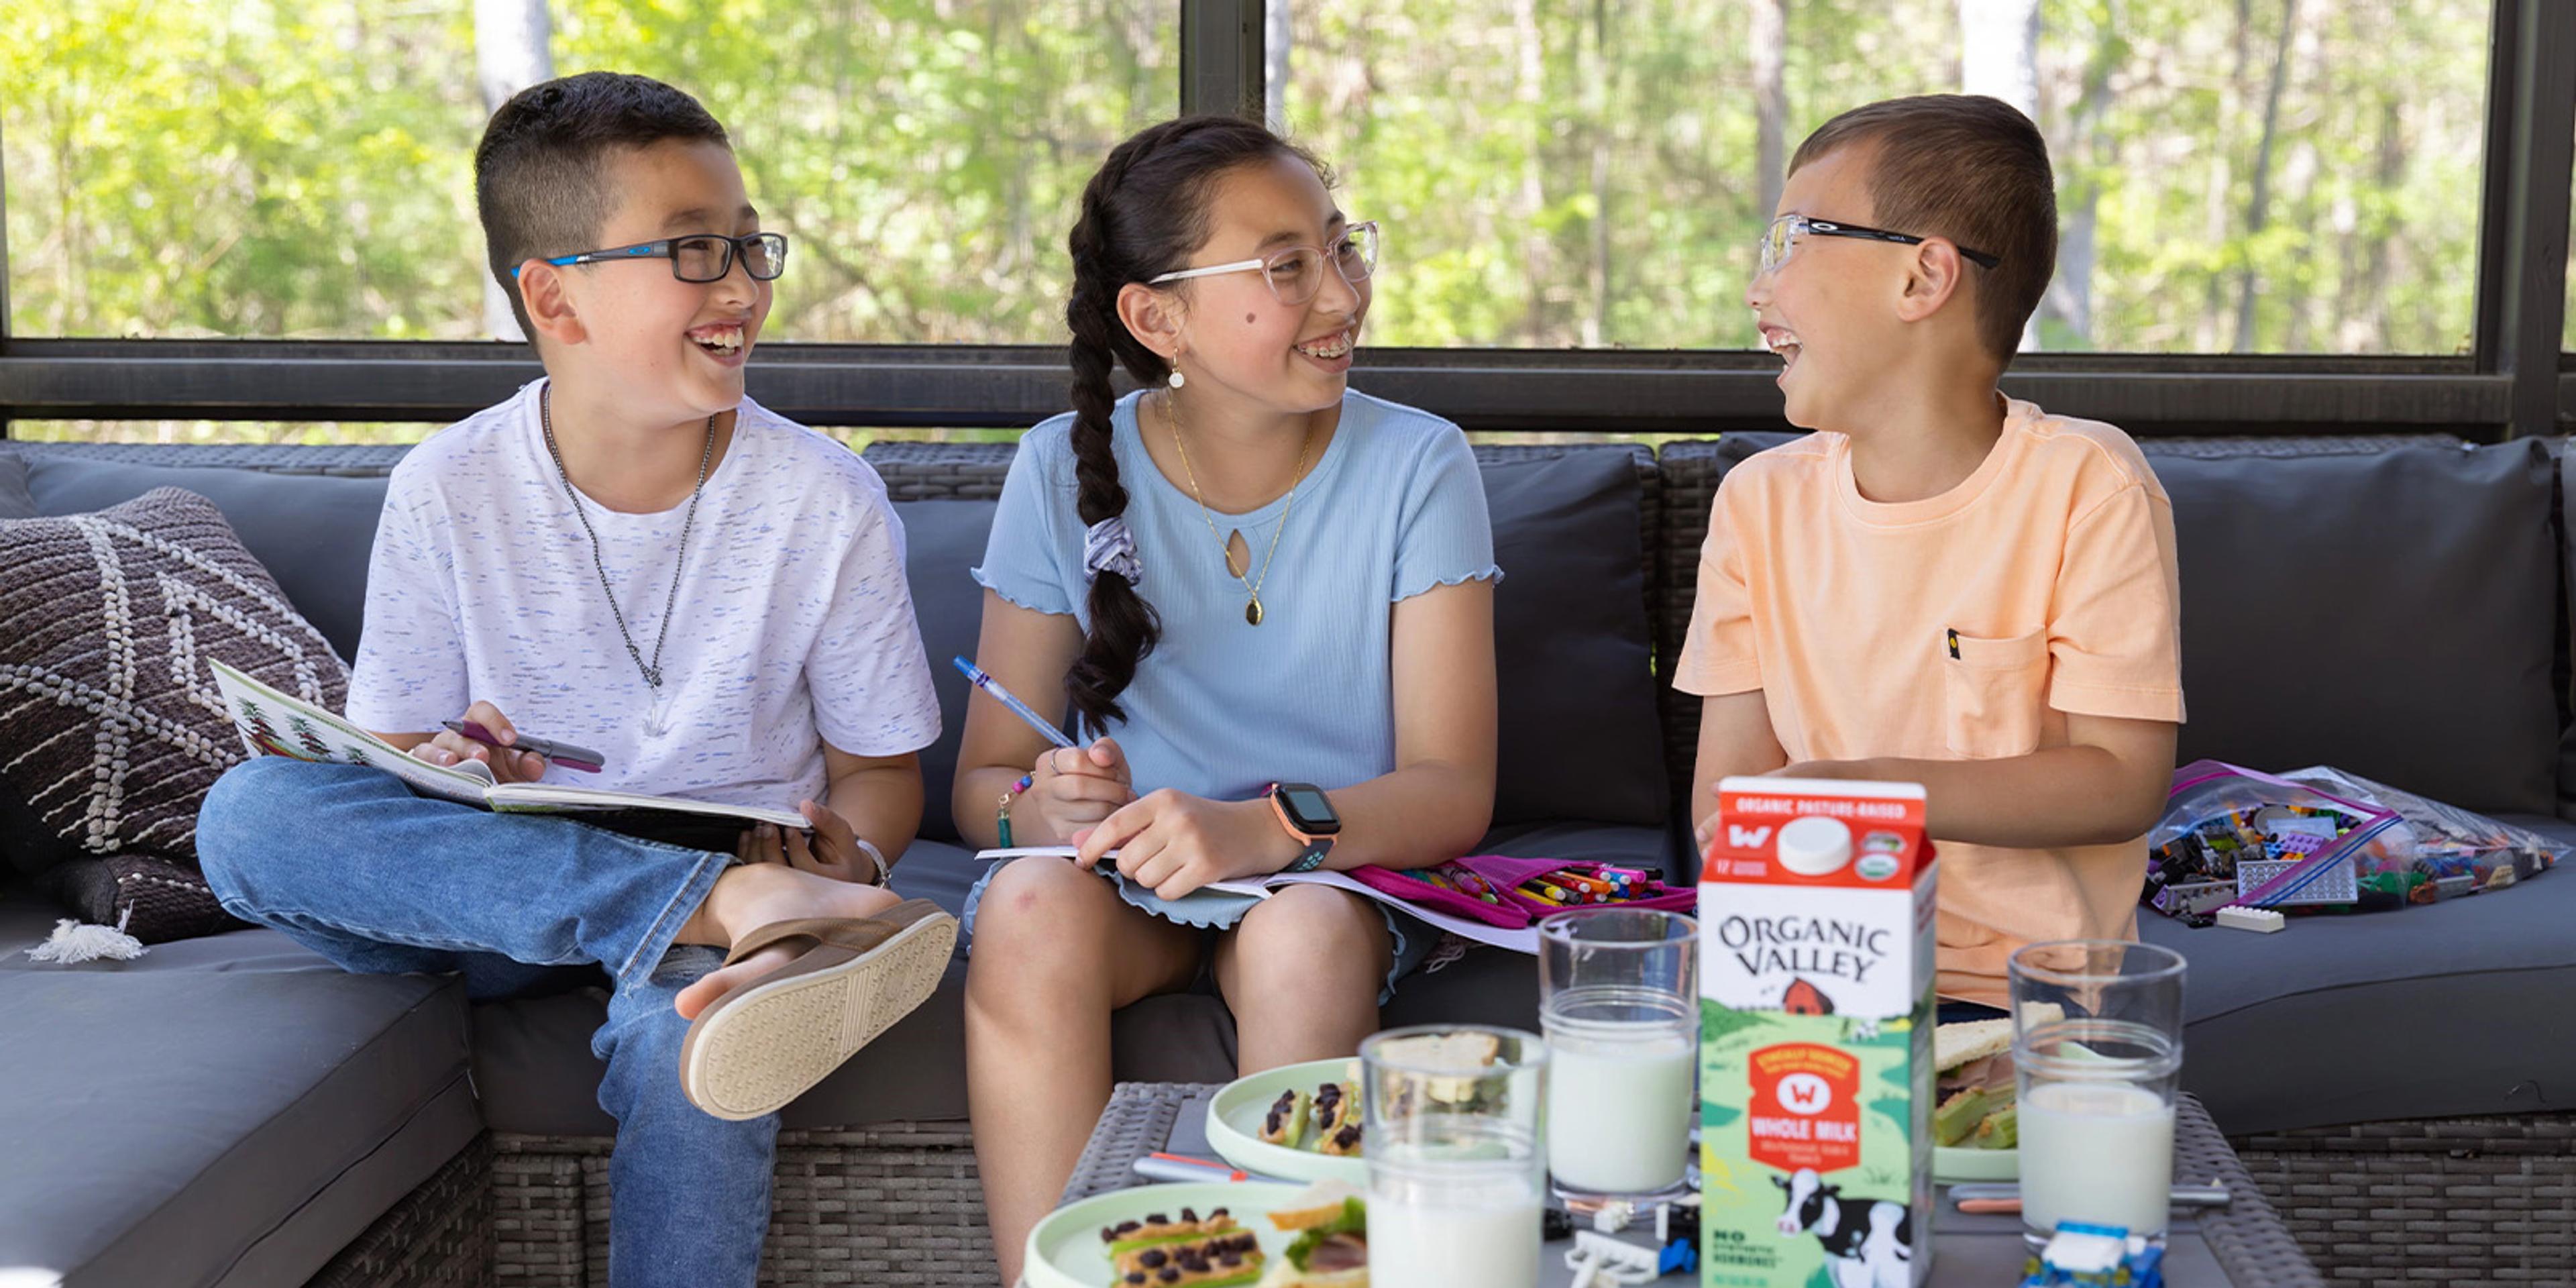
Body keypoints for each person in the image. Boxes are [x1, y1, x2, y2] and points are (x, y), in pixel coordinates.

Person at [194, 71, 952, 1288]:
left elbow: (877, 774)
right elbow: (395, 769)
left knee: (689, 1044)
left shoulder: (824, 498)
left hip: (752, 896)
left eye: (750, 246)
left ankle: (732, 923)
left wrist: (847, 863)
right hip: (498, 895)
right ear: (554, 296)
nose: (746, 289)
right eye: (696, 254)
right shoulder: (447, 487)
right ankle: (706, 905)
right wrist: (454, 764)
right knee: (246, 817)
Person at [952, 115, 1503, 1282]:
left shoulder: (1420, 464)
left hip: (1327, 872)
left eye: (1341, 248)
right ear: (1158, 319)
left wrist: (1261, 829)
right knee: (1025, 912)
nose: (1343, 293)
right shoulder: (1060, 468)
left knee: (1298, 931)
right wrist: (1041, 812)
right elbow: (983, 787)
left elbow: (1453, 791)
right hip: (1128, 888)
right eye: (1286, 266)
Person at [1680, 94, 2185, 1016]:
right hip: (1810, 976)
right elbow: (1729, 802)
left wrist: (1862, 793)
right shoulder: (1756, 504)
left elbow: (2121, 781)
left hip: (2027, 999)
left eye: (1792, 241)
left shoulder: (2090, 484)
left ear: (1923, 278)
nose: (1761, 287)